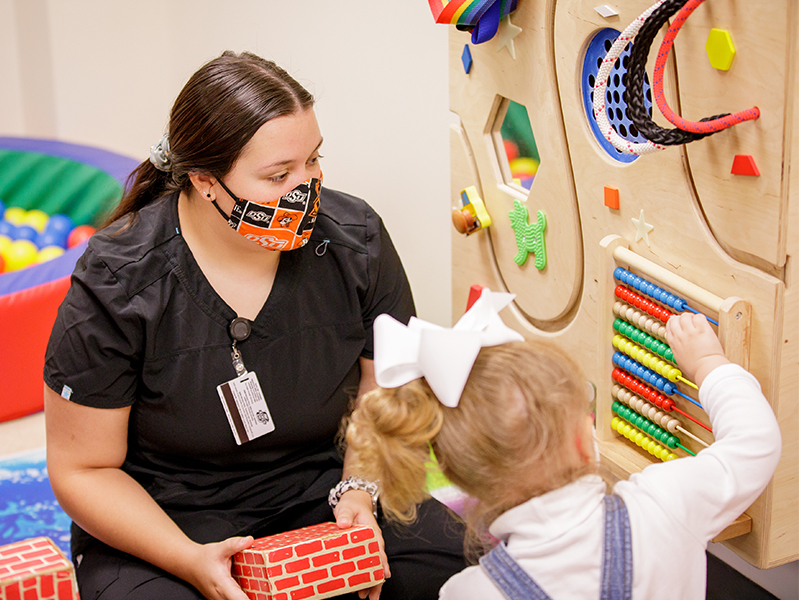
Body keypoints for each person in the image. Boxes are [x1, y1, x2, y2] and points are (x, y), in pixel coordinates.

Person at [43, 50, 466, 600]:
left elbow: (382, 388)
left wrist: (359, 491)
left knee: (464, 574)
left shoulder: (354, 240)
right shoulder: (119, 280)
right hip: (168, 516)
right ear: (204, 180)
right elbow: (82, 469)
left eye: (313, 161)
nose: (306, 188)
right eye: (278, 175)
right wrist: (190, 561)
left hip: (326, 486)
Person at [346, 290, 782, 600]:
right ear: (582, 438)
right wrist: (709, 365)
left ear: (463, 482)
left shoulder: (472, 591)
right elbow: (753, 442)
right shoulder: (665, 503)